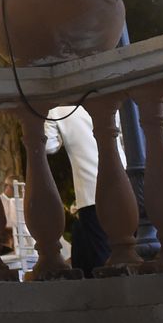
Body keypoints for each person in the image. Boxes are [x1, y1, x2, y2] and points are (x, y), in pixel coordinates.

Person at [43, 104, 122, 276]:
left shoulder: (57, 110)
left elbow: (48, 145)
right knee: (125, 245)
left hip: (90, 192)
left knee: (102, 252)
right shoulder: (109, 104)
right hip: (123, 183)